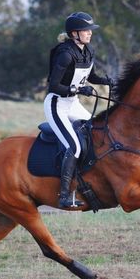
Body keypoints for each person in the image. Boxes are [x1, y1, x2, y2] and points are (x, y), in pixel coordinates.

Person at [45, 12, 113, 209]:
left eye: (90, 31)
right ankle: (64, 195)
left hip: (73, 103)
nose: (90, 34)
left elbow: (90, 75)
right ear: (74, 33)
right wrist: (77, 89)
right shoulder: (65, 54)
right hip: (57, 105)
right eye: (86, 30)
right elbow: (53, 86)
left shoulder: (87, 51)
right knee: (74, 146)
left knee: (98, 132)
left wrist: (105, 81)